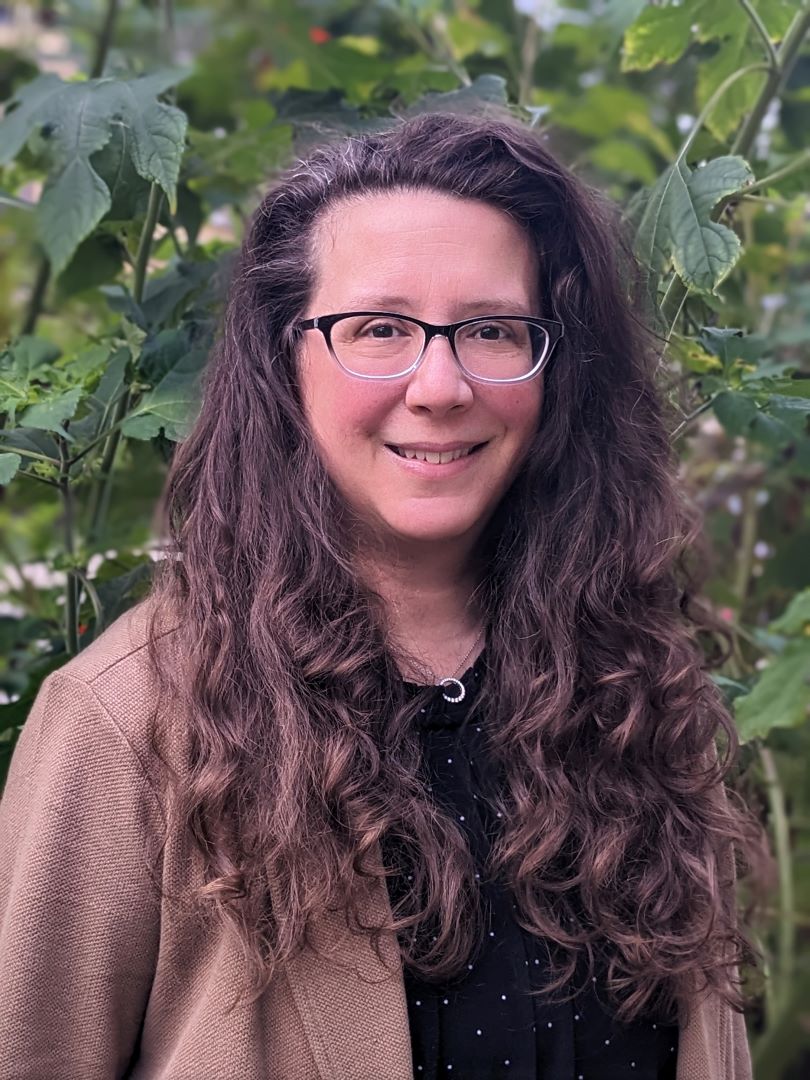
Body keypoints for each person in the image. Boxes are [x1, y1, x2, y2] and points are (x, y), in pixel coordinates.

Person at [0, 110, 766, 1079]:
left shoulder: (636, 685)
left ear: (559, 367)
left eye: (491, 330)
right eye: (378, 329)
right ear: (285, 362)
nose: (439, 385)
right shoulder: (127, 721)